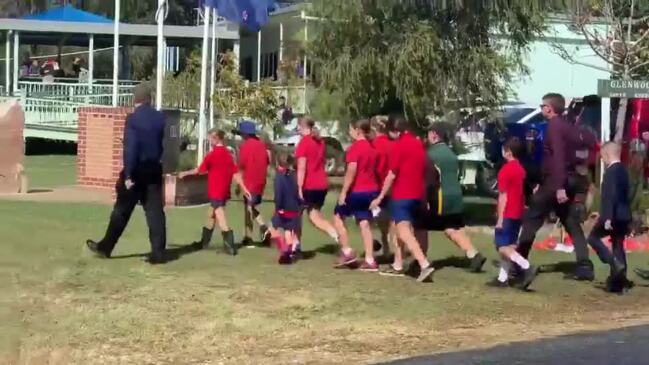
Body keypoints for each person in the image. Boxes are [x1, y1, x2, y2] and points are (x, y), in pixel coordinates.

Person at [516, 93, 597, 281]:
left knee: (531, 221)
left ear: (549, 108)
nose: (542, 108)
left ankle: (518, 265)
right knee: (571, 223)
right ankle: (585, 266)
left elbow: (558, 157)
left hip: (554, 183)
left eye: (543, 105)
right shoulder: (567, 126)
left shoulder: (554, 126)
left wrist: (558, 187)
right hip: (564, 180)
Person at [86, 85, 167, 264]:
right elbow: (161, 145)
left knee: (121, 211)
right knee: (155, 212)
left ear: (134, 99)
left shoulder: (133, 119)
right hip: (154, 168)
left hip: (137, 170)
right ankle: (158, 252)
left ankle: (106, 247)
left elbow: (132, 148)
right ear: (149, 99)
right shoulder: (160, 117)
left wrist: (129, 174)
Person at [370, 116, 435, 283]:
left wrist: (380, 197)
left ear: (394, 131)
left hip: (402, 193)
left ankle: (424, 264)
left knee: (403, 230)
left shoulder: (399, 146)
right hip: (418, 193)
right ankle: (398, 264)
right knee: (401, 229)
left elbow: (391, 174)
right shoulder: (418, 144)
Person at [417, 123, 486, 273]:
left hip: (440, 196)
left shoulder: (430, 154)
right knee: (451, 227)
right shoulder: (452, 154)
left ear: (434, 134)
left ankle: (420, 260)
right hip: (455, 195)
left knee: (420, 225)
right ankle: (473, 254)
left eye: (429, 133)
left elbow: (429, 179)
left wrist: (425, 198)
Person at [178, 129, 251, 256]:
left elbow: (199, 170)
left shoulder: (213, 155)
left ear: (216, 139)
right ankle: (204, 242)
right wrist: (244, 188)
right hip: (224, 189)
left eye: (210, 138)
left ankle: (230, 246)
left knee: (221, 218)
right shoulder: (228, 155)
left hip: (216, 190)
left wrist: (185, 173)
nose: (209, 140)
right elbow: (235, 173)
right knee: (211, 214)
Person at [490, 137, 538, 289]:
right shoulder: (521, 169)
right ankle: (502, 278)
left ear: (508, 152)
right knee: (509, 245)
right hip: (518, 212)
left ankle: (526, 266)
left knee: (501, 246)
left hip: (508, 212)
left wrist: (500, 218)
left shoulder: (505, 170)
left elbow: (503, 195)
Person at [333, 119, 380, 271]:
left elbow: (351, 171)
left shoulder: (355, 149)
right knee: (364, 223)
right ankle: (370, 259)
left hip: (357, 190)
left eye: (351, 129)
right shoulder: (372, 149)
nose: (349, 132)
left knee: (338, 216)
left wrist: (344, 192)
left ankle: (347, 251)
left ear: (358, 130)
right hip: (371, 190)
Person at [587, 142, 633, 293]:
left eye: (602, 157)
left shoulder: (611, 172)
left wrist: (607, 217)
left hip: (612, 215)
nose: (603, 160)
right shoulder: (624, 171)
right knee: (618, 245)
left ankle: (613, 262)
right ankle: (619, 282)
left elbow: (610, 196)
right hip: (624, 215)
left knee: (593, 237)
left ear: (606, 154)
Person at [295, 117, 339, 253]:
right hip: (322, 184)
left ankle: (337, 236)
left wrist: (299, 188)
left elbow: (302, 168)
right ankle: (296, 245)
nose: (297, 129)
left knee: (302, 216)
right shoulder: (320, 142)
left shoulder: (304, 143)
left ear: (303, 127)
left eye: (298, 126)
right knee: (314, 215)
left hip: (310, 184)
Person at [236, 121, 271, 247]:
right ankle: (248, 236)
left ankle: (262, 228)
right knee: (249, 207)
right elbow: (267, 161)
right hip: (260, 180)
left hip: (249, 180)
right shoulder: (262, 146)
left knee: (249, 208)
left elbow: (240, 166)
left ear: (245, 134)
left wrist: (238, 185)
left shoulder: (245, 147)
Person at [370, 115, 397, 260]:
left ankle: (384, 246)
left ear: (374, 128)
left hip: (378, 186)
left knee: (375, 218)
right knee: (393, 220)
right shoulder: (394, 145)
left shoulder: (374, 145)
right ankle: (394, 250)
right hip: (394, 187)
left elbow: (375, 168)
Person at [272, 153, 302, 264]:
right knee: (288, 230)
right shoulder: (292, 175)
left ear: (277, 163)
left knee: (272, 228)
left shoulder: (279, 177)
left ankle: (285, 251)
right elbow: (296, 191)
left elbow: (278, 193)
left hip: (284, 208)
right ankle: (288, 253)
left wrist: (278, 206)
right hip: (294, 207)